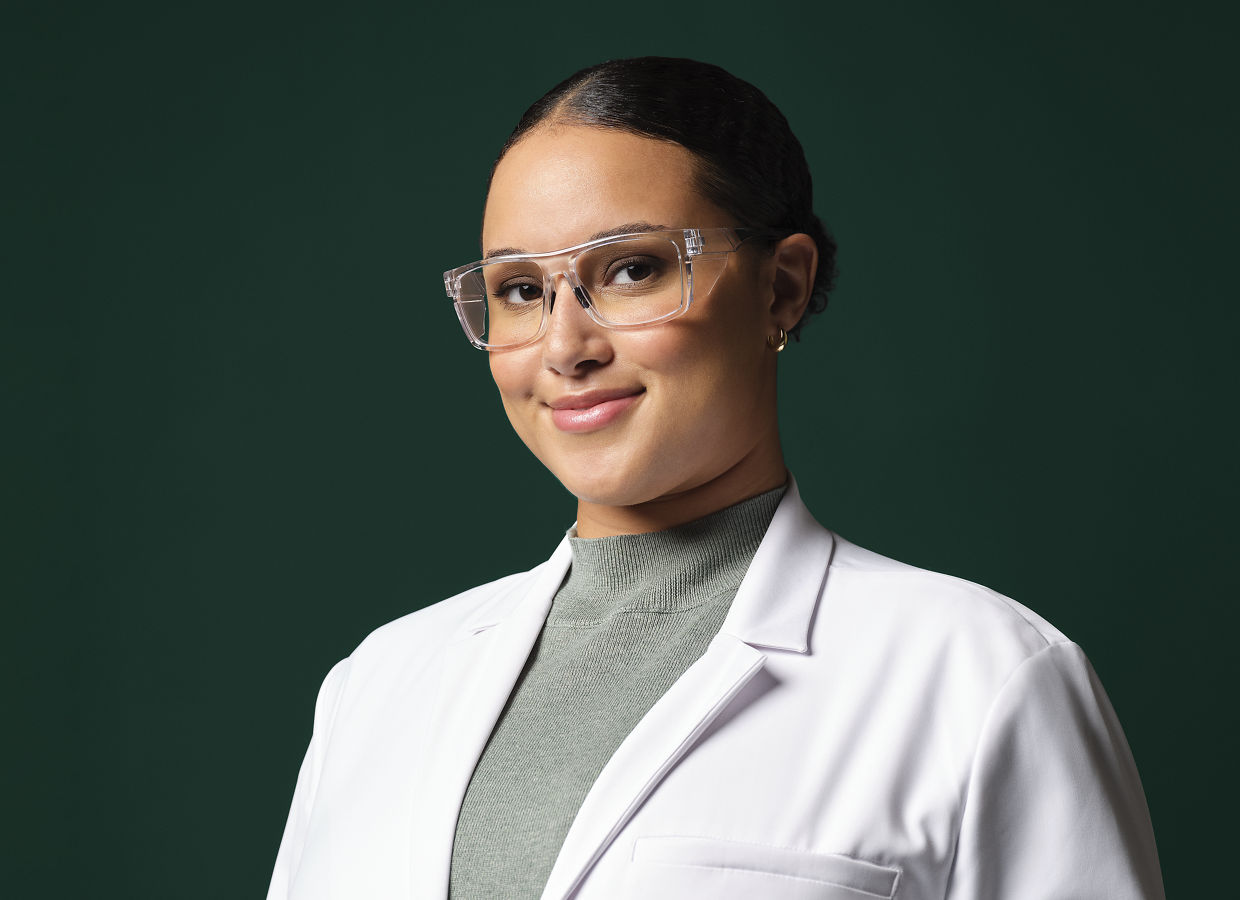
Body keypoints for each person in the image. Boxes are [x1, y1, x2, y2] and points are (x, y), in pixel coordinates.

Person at [267, 57, 1164, 899]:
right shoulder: (380, 685)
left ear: (782, 287)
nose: (567, 347)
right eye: (520, 291)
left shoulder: (980, 677)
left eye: (631, 270)